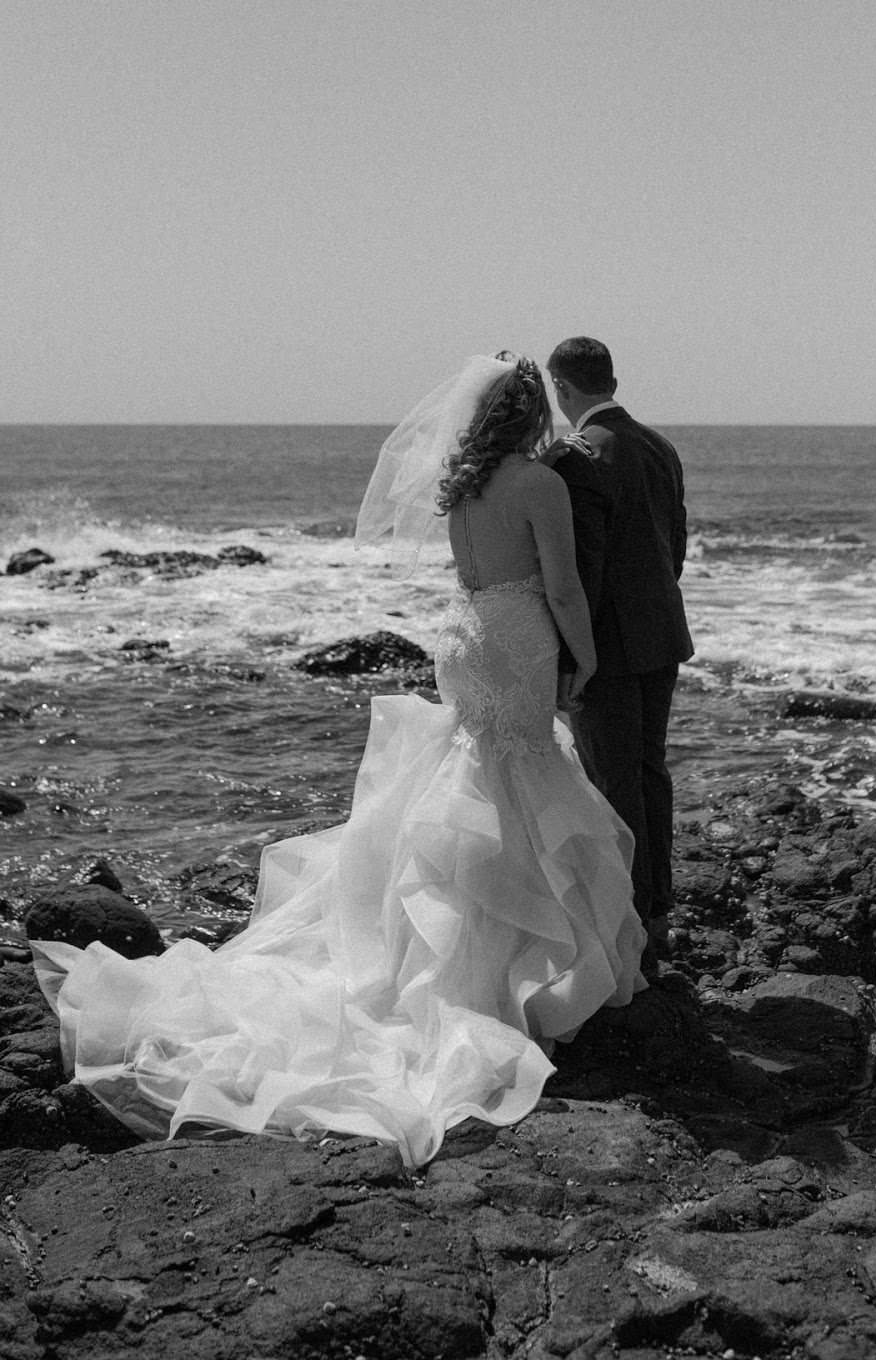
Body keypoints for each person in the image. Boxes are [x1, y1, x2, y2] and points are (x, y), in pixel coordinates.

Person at [32, 354, 645, 1168]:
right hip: (518, 639)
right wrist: (587, 658)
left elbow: (474, 574)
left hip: (463, 637)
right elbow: (561, 588)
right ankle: (502, 965)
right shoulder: (539, 484)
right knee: (519, 774)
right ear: (533, 412)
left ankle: (439, 945)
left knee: (471, 769)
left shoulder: (461, 485)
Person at [545, 337, 693, 964]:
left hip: (605, 646)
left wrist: (570, 659)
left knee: (612, 781)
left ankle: (629, 925)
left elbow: (582, 572)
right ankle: (656, 911)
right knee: (650, 771)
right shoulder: (660, 446)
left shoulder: (579, 458)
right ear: (611, 380)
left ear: (562, 387)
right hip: (662, 634)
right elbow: (675, 545)